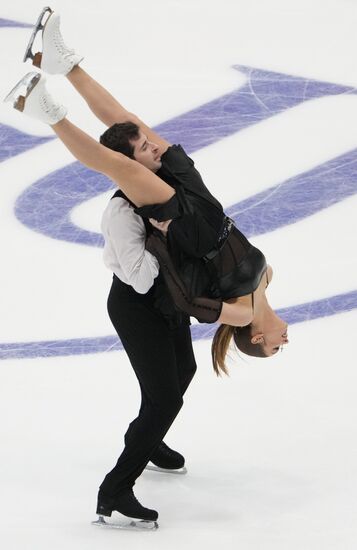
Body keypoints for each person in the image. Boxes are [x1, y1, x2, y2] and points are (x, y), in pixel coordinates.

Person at [6, 10, 289, 378]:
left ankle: (45, 111)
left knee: (121, 166)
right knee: (134, 125)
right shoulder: (267, 278)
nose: (283, 341)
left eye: (273, 347)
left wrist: (169, 238)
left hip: (189, 226)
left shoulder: (243, 313)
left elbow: (189, 301)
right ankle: (63, 64)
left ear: (255, 336)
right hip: (205, 202)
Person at [7, 8, 200, 530]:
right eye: (143, 150)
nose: (153, 146)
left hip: (170, 299)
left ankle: (149, 434)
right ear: (134, 169)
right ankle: (115, 490)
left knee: (183, 375)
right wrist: (164, 246)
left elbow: (120, 118)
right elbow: (138, 277)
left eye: (148, 145)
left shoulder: (168, 169)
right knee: (164, 393)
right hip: (138, 304)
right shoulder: (123, 210)